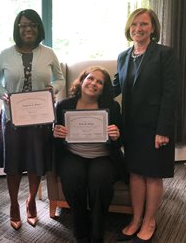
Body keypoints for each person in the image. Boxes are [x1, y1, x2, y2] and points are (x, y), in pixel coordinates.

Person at [0, 9, 65, 230]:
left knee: (35, 163)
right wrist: (3, 93)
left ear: (39, 27)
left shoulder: (49, 53)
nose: (28, 28)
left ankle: (31, 202)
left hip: (40, 119)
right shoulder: (5, 54)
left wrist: (54, 88)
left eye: (32, 24)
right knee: (13, 166)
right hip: (12, 119)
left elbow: (59, 78)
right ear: (17, 28)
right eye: (23, 25)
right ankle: (14, 205)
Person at [113, 8, 179, 242]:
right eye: (134, 25)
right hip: (131, 127)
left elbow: (170, 95)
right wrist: (82, 94)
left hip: (154, 128)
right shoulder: (123, 56)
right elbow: (114, 88)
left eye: (143, 24)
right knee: (135, 175)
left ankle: (150, 220)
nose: (138, 29)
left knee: (152, 175)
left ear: (153, 28)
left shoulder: (164, 54)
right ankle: (136, 218)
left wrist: (163, 129)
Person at [53, 66, 126, 243]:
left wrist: (117, 135)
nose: (93, 83)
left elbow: (121, 139)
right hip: (73, 154)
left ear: (104, 88)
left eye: (99, 82)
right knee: (72, 179)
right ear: (82, 80)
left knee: (100, 182)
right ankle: (81, 229)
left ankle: (97, 231)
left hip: (103, 156)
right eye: (90, 78)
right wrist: (55, 133)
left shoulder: (112, 106)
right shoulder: (64, 105)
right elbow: (56, 138)